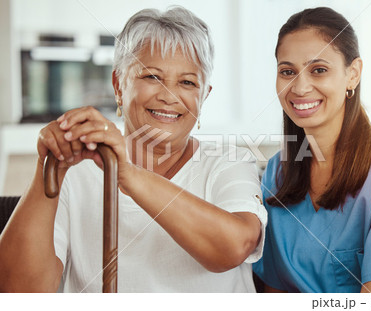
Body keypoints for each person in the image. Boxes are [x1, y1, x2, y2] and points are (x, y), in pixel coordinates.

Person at [0, 7, 267, 292]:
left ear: (204, 96)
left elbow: (235, 247)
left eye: (187, 82)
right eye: (152, 77)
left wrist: (128, 174)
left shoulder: (229, 161)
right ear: (118, 85)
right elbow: (17, 291)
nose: (169, 96)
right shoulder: (75, 173)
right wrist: (48, 168)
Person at [252, 7, 371, 293]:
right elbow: (276, 292)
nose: (300, 86)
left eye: (319, 70)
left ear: (353, 74)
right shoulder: (276, 173)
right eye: (287, 72)